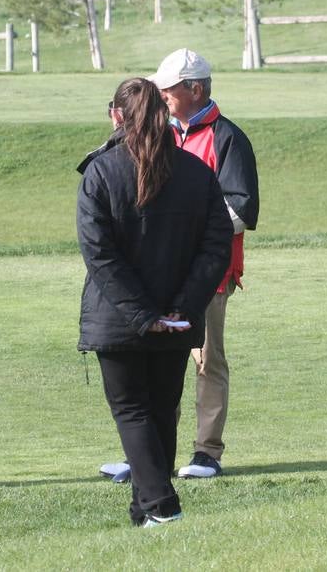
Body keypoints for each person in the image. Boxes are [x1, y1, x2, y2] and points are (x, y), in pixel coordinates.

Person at [77, 78, 234, 526]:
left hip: (122, 317)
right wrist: (180, 308)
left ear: (116, 116)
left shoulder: (101, 172)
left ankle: (163, 508)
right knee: (161, 409)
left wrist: (150, 314)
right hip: (171, 315)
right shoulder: (196, 172)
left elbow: (99, 255)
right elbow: (216, 247)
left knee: (134, 410)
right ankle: (145, 510)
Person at [149, 48, 260, 479]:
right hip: (162, 269)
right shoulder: (161, 132)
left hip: (209, 270)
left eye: (170, 89)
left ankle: (206, 452)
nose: (163, 97)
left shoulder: (227, 137)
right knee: (159, 359)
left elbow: (242, 210)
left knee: (206, 358)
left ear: (195, 89)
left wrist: (187, 235)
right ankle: (153, 447)